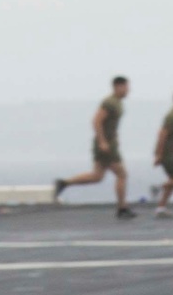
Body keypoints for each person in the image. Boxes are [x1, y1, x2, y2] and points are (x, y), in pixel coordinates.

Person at [54, 77, 136, 217]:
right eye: (126, 87)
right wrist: (102, 141)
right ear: (118, 87)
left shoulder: (118, 103)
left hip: (110, 144)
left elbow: (110, 125)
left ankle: (64, 183)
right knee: (122, 174)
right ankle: (122, 208)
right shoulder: (109, 102)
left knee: (97, 176)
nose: (128, 90)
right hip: (105, 146)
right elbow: (96, 121)